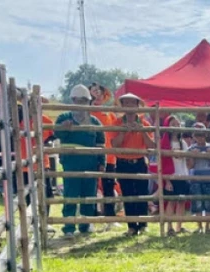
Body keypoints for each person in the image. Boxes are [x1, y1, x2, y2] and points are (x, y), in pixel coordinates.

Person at [53, 85, 106, 238]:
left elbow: (100, 144)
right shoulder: (64, 118)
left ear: (88, 102)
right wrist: (63, 128)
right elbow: (57, 134)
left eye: (83, 100)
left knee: (88, 196)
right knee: (71, 195)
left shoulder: (95, 122)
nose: (79, 103)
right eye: (77, 100)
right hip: (71, 164)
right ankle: (69, 227)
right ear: (72, 101)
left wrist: (102, 162)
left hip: (90, 164)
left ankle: (85, 224)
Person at [110, 93, 154, 237]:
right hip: (123, 163)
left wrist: (141, 131)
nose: (129, 106)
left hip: (140, 162)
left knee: (142, 193)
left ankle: (143, 224)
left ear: (137, 106)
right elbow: (114, 145)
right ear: (122, 106)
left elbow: (151, 145)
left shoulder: (145, 123)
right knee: (127, 194)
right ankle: (131, 226)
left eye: (132, 103)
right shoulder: (116, 124)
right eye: (126, 103)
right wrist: (124, 131)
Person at [88, 83, 119, 230]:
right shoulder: (87, 112)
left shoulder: (110, 114)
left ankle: (110, 219)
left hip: (109, 157)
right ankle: (91, 220)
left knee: (108, 187)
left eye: (99, 91)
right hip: (91, 156)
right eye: (94, 92)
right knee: (91, 188)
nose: (97, 94)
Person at [160, 115, 189, 236]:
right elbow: (162, 163)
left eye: (178, 124)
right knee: (171, 202)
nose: (176, 127)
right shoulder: (165, 143)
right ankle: (170, 227)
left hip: (183, 175)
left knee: (181, 201)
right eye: (173, 124)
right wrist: (167, 181)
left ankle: (179, 226)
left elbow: (187, 160)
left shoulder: (183, 143)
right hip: (171, 176)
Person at [187, 123, 210, 233]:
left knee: (209, 202)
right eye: (198, 135)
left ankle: (208, 226)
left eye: (202, 135)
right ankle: (199, 227)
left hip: (209, 177)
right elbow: (189, 166)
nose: (200, 138)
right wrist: (193, 156)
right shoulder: (191, 149)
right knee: (197, 203)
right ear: (194, 136)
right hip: (196, 178)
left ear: (205, 135)